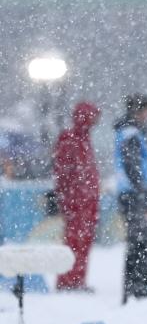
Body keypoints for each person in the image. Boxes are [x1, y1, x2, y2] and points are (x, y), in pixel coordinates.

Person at [114, 94, 147, 304]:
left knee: (138, 244)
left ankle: (134, 291)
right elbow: (134, 170)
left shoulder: (130, 133)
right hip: (135, 198)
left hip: (132, 197)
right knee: (142, 244)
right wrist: (145, 200)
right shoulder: (131, 134)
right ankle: (138, 292)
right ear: (139, 111)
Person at [53, 102, 101, 291]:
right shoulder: (70, 138)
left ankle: (77, 279)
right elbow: (63, 171)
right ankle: (67, 280)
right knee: (74, 241)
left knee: (83, 241)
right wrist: (67, 198)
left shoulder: (84, 140)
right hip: (76, 202)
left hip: (86, 202)